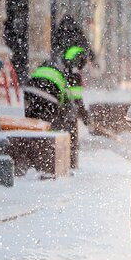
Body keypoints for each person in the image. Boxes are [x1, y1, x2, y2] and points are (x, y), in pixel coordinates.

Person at [23, 25, 90, 169]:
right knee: (53, 126)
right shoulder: (74, 72)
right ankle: (47, 163)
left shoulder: (57, 60)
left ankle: (28, 161)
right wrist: (85, 118)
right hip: (48, 93)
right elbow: (76, 100)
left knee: (33, 124)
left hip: (30, 90)